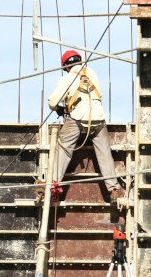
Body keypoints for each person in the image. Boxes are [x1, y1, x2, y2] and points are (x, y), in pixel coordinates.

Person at [46, 49, 125, 201]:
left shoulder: (68, 78)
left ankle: (52, 185)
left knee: (64, 148)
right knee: (104, 153)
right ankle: (113, 188)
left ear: (65, 66)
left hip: (77, 119)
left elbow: (52, 102)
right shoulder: (92, 73)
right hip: (98, 119)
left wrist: (59, 109)